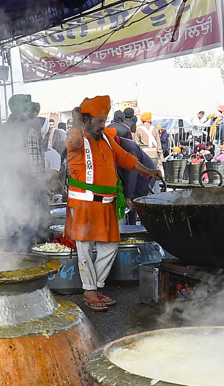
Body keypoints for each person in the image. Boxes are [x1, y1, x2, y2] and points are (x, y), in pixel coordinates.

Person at [65, 95, 160, 312]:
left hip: (106, 203)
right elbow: (74, 141)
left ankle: (95, 287)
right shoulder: (76, 137)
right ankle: (89, 291)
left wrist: (148, 172)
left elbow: (126, 158)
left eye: (104, 120)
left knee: (110, 247)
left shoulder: (107, 139)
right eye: (99, 120)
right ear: (87, 120)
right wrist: (77, 121)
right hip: (84, 204)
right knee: (85, 248)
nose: (103, 124)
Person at [5, 93, 51, 250]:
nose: (35, 116)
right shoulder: (29, 130)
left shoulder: (6, 129)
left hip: (8, 186)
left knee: (12, 228)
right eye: (32, 111)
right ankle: (22, 263)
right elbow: (34, 162)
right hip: (26, 187)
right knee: (28, 228)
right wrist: (40, 184)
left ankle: (8, 263)